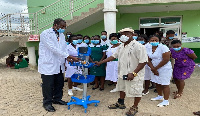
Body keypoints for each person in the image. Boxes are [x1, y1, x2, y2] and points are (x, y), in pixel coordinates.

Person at [95, 28, 148, 116]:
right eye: (122, 34)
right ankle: (121, 103)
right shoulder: (121, 46)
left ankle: (135, 106)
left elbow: (143, 61)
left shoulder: (139, 46)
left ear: (132, 34)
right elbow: (113, 56)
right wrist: (101, 62)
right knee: (121, 88)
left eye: (126, 34)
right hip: (122, 72)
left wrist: (134, 73)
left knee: (137, 90)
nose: (124, 36)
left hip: (134, 74)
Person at [38, 18, 79, 112]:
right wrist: (70, 56)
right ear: (55, 25)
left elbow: (63, 48)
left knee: (59, 83)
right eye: (62, 26)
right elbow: (52, 48)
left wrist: (67, 58)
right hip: (48, 64)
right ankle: (47, 103)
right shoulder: (45, 33)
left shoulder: (61, 35)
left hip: (59, 63)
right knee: (48, 85)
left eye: (65, 27)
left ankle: (57, 99)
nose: (63, 28)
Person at [147, 35, 172, 107]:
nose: (154, 42)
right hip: (153, 67)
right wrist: (152, 68)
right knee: (157, 82)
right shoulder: (148, 48)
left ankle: (166, 100)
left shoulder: (163, 47)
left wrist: (155, 68)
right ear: (149, 41)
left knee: (165, 84)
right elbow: (147, 59)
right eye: (152, 40)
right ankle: (159, 96)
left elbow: (166, 59)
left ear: (159, 41)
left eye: (156, 40)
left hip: (164, 68)